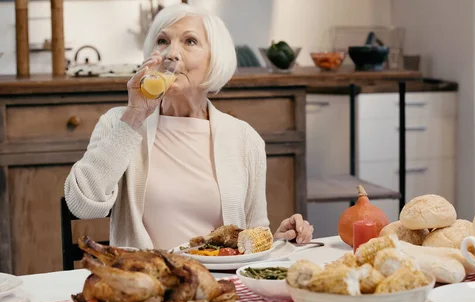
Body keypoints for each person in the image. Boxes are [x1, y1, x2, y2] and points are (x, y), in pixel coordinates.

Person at [64, 3, 313, 250]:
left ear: (214, 59)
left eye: (190, 41)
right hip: (146, 282)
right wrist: (135, 116)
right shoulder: (120, 123)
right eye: (162, 41)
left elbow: (253, 232)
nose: (171, 53)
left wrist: (281, 240)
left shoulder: (245, 139)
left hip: (217, 282)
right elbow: (82, 205)